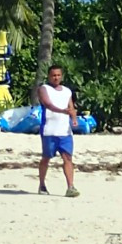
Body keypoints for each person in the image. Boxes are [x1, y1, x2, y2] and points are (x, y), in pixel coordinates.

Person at [36, 65, 78, 197]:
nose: (56, 78)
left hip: (65, 131)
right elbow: (47, 104)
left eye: (58, 75)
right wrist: (62, 111)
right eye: (54, 75)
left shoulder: (67, 91)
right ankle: (42, 184)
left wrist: (74, 118)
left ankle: (70, 186)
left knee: (67, 158)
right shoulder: (44, 89)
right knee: (46, 158)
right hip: (49, 131)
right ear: (49, 76)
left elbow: (71, 107)